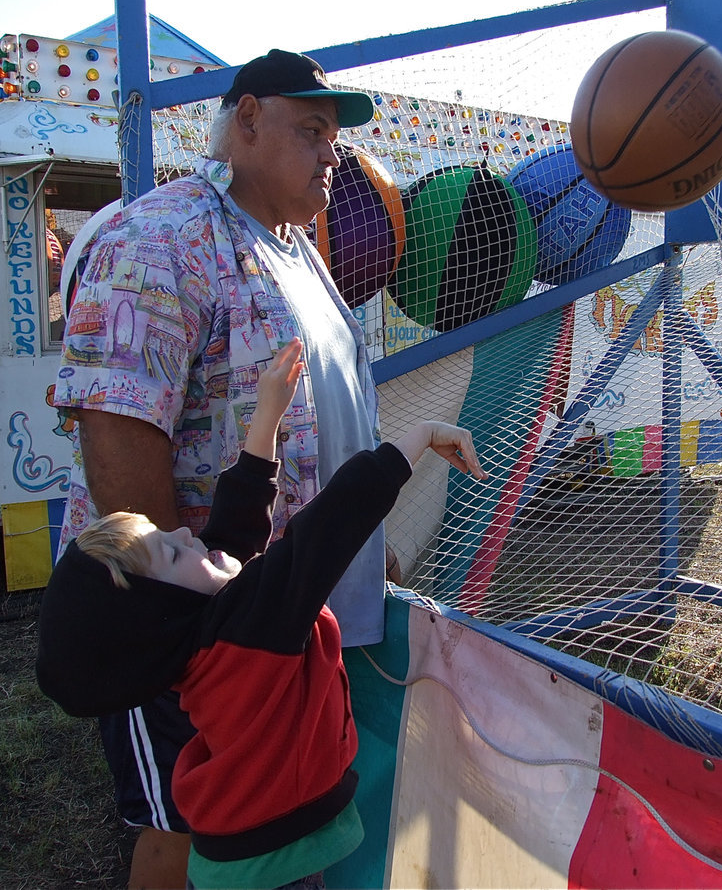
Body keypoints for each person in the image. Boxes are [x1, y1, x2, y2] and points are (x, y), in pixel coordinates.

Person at [51, 49, 389, 887]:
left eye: (336, 142)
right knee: (183, 827)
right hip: (197, 640)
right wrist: (192, 642)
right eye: (310, 129)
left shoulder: (294, 248)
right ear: (245, 121)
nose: (329, 155)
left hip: (278, 629)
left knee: (265, 840)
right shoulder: (158, 239)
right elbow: (119, 436)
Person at [38, 339, 486, 889]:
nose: (184, 531)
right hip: (277, 863)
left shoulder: (203, 637)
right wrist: (417, 436)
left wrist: (267, 416)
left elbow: (233, 532)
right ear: (164, 613)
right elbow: (330, 526)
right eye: (172, 551)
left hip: (241, 849)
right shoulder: (251, 630)